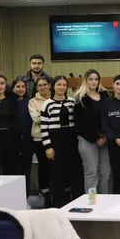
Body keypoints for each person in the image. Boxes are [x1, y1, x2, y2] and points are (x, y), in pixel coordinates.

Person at [40, 76, 84, 206]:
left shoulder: (71, 102)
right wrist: (48, 147)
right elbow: (44, 127)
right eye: (59, 84)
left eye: (64, 85)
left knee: (75, 171)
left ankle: (78, 200)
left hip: (71, 138)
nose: (62, 87)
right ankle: (58, 202)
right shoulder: (47, 104)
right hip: (55, 139)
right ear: (53, 86)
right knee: (56, 172)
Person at [74, 69, 111, 194]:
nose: (94, 82)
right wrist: (95, 138)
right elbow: (79, 124)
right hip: (87, 139)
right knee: (91, 173)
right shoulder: (80, 98)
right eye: (91, 79)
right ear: (86, 80)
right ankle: (92, 201)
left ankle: (104, 199)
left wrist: (105, 136)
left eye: (96, 79)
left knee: (106, 172)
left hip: (104, 139)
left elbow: (108, 117)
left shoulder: (105, 95)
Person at [28, 77, 53, 206]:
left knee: (55, 166)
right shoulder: (33, 102)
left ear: (49, 85)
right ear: (37, 88)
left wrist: (43, 115)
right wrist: (53, 115)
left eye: (45, 84)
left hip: (55, 137)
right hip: (39, 138)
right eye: (40, 85)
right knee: (43, 166)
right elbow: (36, 119)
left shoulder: (56, 97)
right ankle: (45, 192)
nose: (42, 87)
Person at [12, 79, 35, 194]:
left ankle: (26, 195)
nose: (20, 89)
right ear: (13, 88)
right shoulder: (10, 102)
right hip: (14, 141)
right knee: (15, 170)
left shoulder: (30, 102)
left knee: (27, 169)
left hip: (28, 140)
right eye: (18, 86)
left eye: (23, 86)